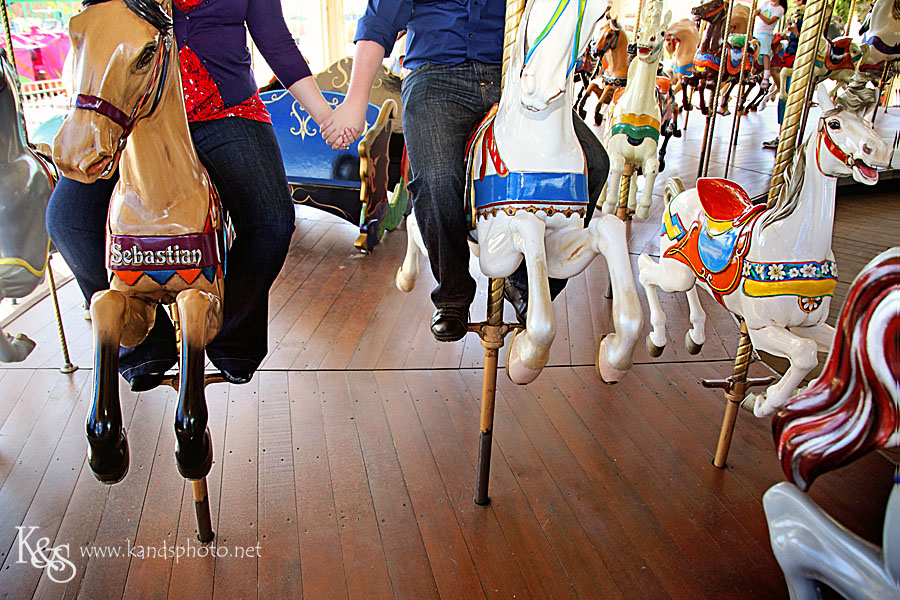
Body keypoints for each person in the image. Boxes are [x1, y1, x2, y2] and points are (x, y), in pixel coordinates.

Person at [47, 0, 353, 391]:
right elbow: (94, 32)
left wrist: (324, 114)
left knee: (273, 221)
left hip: (225, 108)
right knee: (68, 220)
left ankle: (230, 335)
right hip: (136, 113)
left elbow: (276, 42)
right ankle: (142, 338)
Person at [321, 0, 610, 342]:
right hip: (436, 76)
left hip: (513, 76)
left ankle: (529, 281)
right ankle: (452, 294)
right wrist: (356, 101)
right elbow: (378, 22)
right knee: (438, 179)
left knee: (593, 163)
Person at [754, 0, 787, 96]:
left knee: (764, 51)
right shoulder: (765, 3)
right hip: (756, 31)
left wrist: (759, 14)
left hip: (766, 33)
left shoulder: (780, 9)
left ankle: (766, 75)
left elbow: (769, 21)